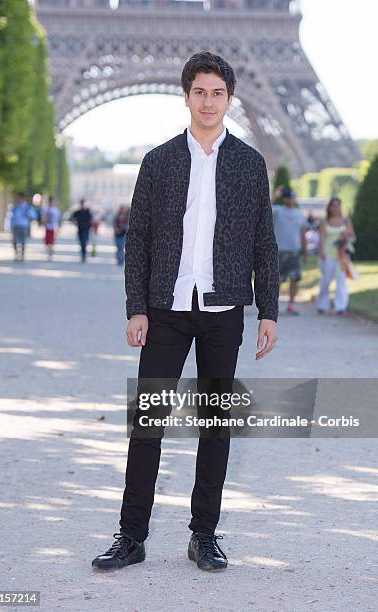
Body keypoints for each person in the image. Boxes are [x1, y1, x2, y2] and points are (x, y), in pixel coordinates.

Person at [91, 52, 279, 573]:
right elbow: (140, 240)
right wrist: (136, 308)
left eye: (217, 92)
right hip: (166, 308)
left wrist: (270, 310)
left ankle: (204, 535)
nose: (208, 101)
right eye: (200, 91)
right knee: (148, 421)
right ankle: (131, 536)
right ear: (187, 96)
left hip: (223, 310)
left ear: (230, 98)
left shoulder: (248, 163)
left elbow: (264, 240)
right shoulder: (159, 161)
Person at [316, 197, 356, 315]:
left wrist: (346, 239)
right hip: (328, 253)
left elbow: (353, 237)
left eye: (337, 205)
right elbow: (321, 238)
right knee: (326, 280)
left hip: (341, 255)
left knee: (341, 280)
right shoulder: (324, 221)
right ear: (329, 207)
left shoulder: (345, 220)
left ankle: (340, 307)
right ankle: (322, 305)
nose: (335, 208)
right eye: (333, 205)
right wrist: (321, 251)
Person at [272, 186, 308, 315]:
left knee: (295, 279)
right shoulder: (278, 210)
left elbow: (303, 234)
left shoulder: (299, 213)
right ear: (284, 199)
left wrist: (305, 252)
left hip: (295, 251)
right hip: (280, 251)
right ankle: (273, 305)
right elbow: (264, 208)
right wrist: (275, 195)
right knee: (278, 280)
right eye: (287, 197)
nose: (290, 199)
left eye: (291, 196)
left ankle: (291, 304)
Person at [10, 192, 36, 262]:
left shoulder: (28, 207)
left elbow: (34, 216)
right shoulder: (15, 207)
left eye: (20, 198)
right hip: (16, 226)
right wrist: (11, 226)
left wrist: (28, 215)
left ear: (23, 198)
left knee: (23, 242)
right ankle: (16, 254)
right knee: (15, 241)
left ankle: (22, 255)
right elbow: (12, 217)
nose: (19, 200)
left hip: (24, 226)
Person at [41, 195, 61, 260]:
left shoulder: (56, 210)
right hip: (47, 227)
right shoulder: (45, 209)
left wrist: (58, 228)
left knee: (51, 241)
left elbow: (58, 220)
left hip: (53, 228)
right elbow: (43, 218)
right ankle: (50, 250)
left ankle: (50, 252)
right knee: (47, 242)